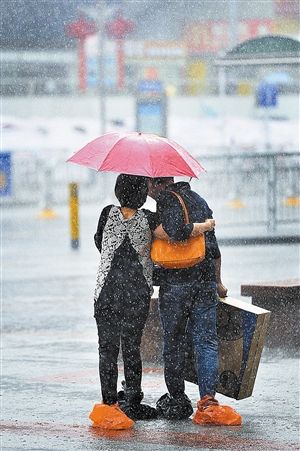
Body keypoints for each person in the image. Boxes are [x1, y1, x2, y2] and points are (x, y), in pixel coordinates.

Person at [148, 177, 242, 425]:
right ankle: (208, 401)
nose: (147, 190)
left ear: (159, 183)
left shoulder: (167, 200)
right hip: (204, 280)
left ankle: (177, 399)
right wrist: (218, 282)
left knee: (174, 341)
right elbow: (213, 248)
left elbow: (177, 233)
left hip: (176, 282)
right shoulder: (199, 200)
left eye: (148, 185)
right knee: (206, 341)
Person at [89, 174, 159, 428]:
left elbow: (99, 242)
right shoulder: (150, 219)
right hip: (135, 293)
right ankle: (132, 398)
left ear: (118, 190)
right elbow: (162, 245)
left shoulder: (107, 213)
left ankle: (109, 403)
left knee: (107, 349)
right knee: (131, 347)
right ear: (142, 193)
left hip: (107, 291)